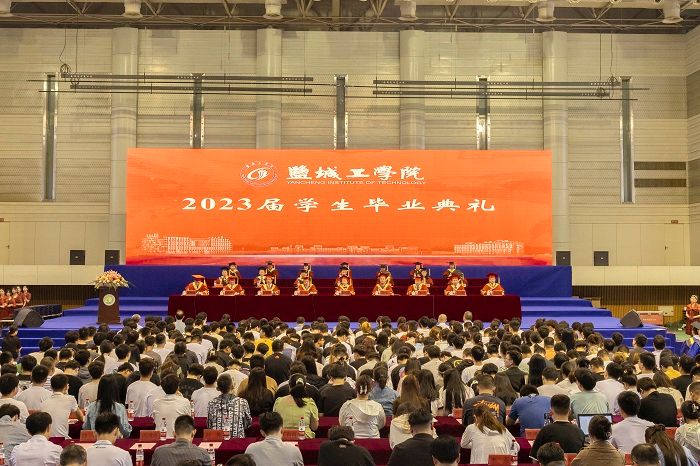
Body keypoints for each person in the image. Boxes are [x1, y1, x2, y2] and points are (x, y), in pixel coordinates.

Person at [83, 374, 132, 438]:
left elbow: (86, 428)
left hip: (96, 440)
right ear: (115, 389)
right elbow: (126, 432)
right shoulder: (119, 408)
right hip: (115, 441)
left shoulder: (91, 406)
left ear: (100, 388)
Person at [339, 375, 386, 439]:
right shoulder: (377, 406)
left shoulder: (346, 405)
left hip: (352, 440)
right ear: (371, 389)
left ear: (355, 387)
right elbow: (381, 424)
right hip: (373, 440)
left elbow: (342, 423)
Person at [273, 373, 319, 438]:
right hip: (304, 437)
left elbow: (275, 423)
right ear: (304, 387)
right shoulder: (310, 402)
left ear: (289, 387)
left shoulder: (279, 401)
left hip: (283, 437)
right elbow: (314, 427)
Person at [207, 373, 252, 438]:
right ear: (232, 386)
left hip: (218, 439)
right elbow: (248, 424)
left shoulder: (212, 403)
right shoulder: (242, 402)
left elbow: (209, 425)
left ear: (218, 388)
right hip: (237, 440)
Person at [40, 373, 83, 438]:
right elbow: (80, 417)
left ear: (51, 387)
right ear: (66, 386)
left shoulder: (44, 402)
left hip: (47, 438)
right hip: (63, 438)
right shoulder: (70, 399)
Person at [154, 374, 193, 439]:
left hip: (161, 438)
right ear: (178, 388)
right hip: (178, 438)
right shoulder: (185, 402)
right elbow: (189, 421)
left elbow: (155, 420)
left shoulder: (156, 403)